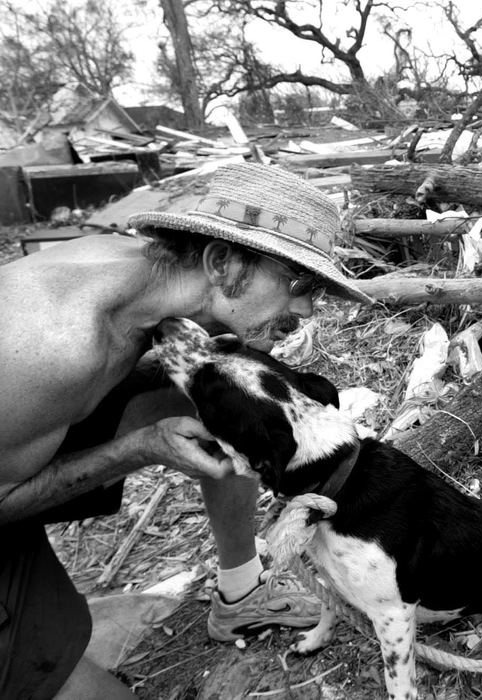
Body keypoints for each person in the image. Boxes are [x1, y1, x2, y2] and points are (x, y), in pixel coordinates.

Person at [0, 162, 375, 699]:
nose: (308, 307)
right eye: (296, 282)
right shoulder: (57, 345)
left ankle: (240, 591)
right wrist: (142, 449)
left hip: (10, 436)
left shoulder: (143, 282)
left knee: (213, 389)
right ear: (221, 261)